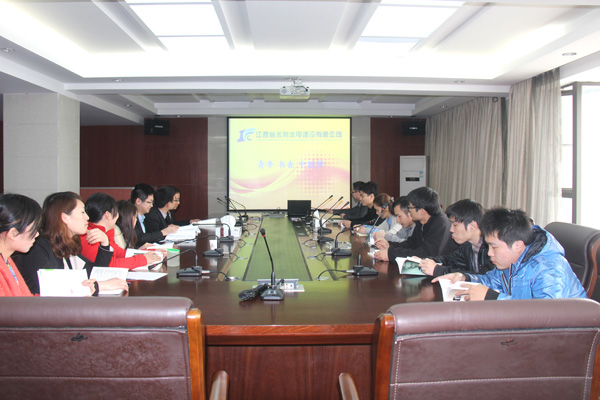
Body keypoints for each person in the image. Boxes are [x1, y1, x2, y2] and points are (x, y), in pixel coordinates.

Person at [433, 207, 587, 300]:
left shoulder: (549, 268)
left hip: (568, 339)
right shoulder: (511, 260)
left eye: (494, 247)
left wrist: (492, 298)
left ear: (518, 246)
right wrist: (464, 278)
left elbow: (546, 316)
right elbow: (492, 281)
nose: (489, 253)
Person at [14, 192, 128, 295]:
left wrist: (104, 244)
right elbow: (51, 289)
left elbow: (92, 273)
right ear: (65, 217)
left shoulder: (67, 242)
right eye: (82, 212)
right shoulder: (37, 247)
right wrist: (99, 286)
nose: (87, 217)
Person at [374, 186, 457, 261]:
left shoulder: (441, 224)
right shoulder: (421, 221)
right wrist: (389, 245)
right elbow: (412, 244)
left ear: (421, 211)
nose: (409, 210)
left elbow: (427, 254)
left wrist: (391, 254)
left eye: (410, 207)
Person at [81, 193, 162, 270]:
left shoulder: (106, 231)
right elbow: (111, 264)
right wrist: (143, 259)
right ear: (108, 215)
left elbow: (119, 253)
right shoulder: (89, 236)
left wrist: (146, 252)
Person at [419, 199, 495, 277]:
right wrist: (422, 261)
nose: (451, 230)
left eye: (455, 225)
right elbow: (448, 260)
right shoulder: (468, 246)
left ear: (472, 226)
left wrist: (438, 270)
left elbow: (485, 277)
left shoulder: (492, 248)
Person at [0, 194, 41, 296]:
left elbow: (24, 300)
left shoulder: (6, 260)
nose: (37, 234)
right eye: (33, 229)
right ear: (13, 233)